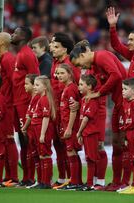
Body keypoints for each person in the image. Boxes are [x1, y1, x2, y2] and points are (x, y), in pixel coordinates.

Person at [70, 45, 127, 191]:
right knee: (117, 143)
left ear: (82, 55)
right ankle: (116, 181)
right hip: (118, 103)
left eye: (79, 64)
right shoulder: (95, 65)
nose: (81, 67)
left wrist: (99, 93)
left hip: (125, 104)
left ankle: (128, 182)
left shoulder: (101, 56)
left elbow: (117, 76)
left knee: (125, 143)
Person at [49, 32, 80, 188]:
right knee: (58, 144)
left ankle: (74, 179)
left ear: (65, 49)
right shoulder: (55, 62)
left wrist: (78, 104)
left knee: (70, 146)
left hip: (68, 111)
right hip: (57, 110)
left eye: (56, 46)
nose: (52, 49)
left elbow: (78, 87)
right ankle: (63, 178)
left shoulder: (71, 64)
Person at [11, 26, 40, 185]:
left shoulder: (27, 55)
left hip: (25, 103)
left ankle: (31, 177)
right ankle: (26, 177)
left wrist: (32, 103)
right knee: (22, 140)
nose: (12, 35)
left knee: (28, 139)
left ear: (22, 37)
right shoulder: (20, 54)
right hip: (17, 102)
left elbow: (35, 79)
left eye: (15, 33)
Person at [0, 32, 18, 186]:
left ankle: (13, 177)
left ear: (1, 42)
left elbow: (14, 83)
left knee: (8, 139)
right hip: (4, 104)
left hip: (8, 106)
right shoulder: (2, 59)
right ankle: (8, 176)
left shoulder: (8, 59)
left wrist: (11, 105)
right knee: (5, 141)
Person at [56, 64, 83, 190]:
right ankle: (77, 181)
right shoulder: (66, 88)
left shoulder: (71, 88)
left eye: (62, 73)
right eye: (58, 73)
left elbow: (73, 110)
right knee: (72, 153)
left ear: (70, 74)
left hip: (71, 126)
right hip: (67, 125)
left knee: (71, 152)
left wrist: (69, 128)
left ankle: (75, 182)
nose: (59, 76)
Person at [30, 75, 56, 189]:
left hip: (42, 130)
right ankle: (42, 181)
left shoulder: (45, 99)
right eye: (34, 85)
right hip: (37, 129)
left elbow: (46, 118)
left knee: (45, 155)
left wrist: (42, 134)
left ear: (45, 87)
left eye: (37, 85)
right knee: (41, 155)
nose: (35, 87)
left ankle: (46, 182)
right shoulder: (40, 98)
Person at [76, 74, 100, 191]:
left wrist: (79, 132)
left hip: (91, 133)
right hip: (86, 133)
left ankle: (91, 183)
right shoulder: (84, 99)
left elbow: (86, 118)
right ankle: (90, 182)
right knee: (89, 157)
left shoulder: (93, 100)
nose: (78, 87)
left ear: (89, 86)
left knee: (91, 158)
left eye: (81, 84)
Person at [21, 74, 41, 187]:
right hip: (31, 130)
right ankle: (38, 180)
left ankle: (40, 180)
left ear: (34, 86)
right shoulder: (33, 98)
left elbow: (31, 116)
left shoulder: (37, 98)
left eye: (26, 83)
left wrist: (24, 127)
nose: (24, 86)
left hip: (34, 130)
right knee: (34, 154)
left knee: (38, 154)